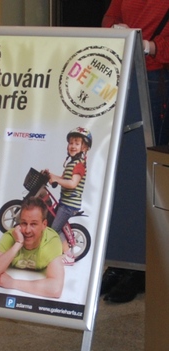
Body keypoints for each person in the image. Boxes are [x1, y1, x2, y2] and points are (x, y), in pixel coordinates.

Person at [101, 0, 169, 302]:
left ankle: (142, 266)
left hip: (156, 82)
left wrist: (151, 47)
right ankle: (120, 262)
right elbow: (111, 16)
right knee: (121, 172)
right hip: (123, 76)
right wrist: (116, 31)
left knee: (145, 177)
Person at [0, 197, 65, 299]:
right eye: (24, 223)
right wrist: (18, 243)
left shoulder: (52, 241)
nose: (27, 230)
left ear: (44, 224)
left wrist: (13, 283)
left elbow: (55, 289)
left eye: (33, 224)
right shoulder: (11, 236)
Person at [43, 126, 92, 266]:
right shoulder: (71, 163)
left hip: (69, 205)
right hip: (64, 202)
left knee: (54, 229)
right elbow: (62, 178)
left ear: (84, 148)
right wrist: (50, 175)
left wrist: (57, 180)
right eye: (71, 143)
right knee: (53, 221)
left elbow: (72, 183)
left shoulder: (80, 165)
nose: (73, 146)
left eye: (77, 143)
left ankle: (69, 256)